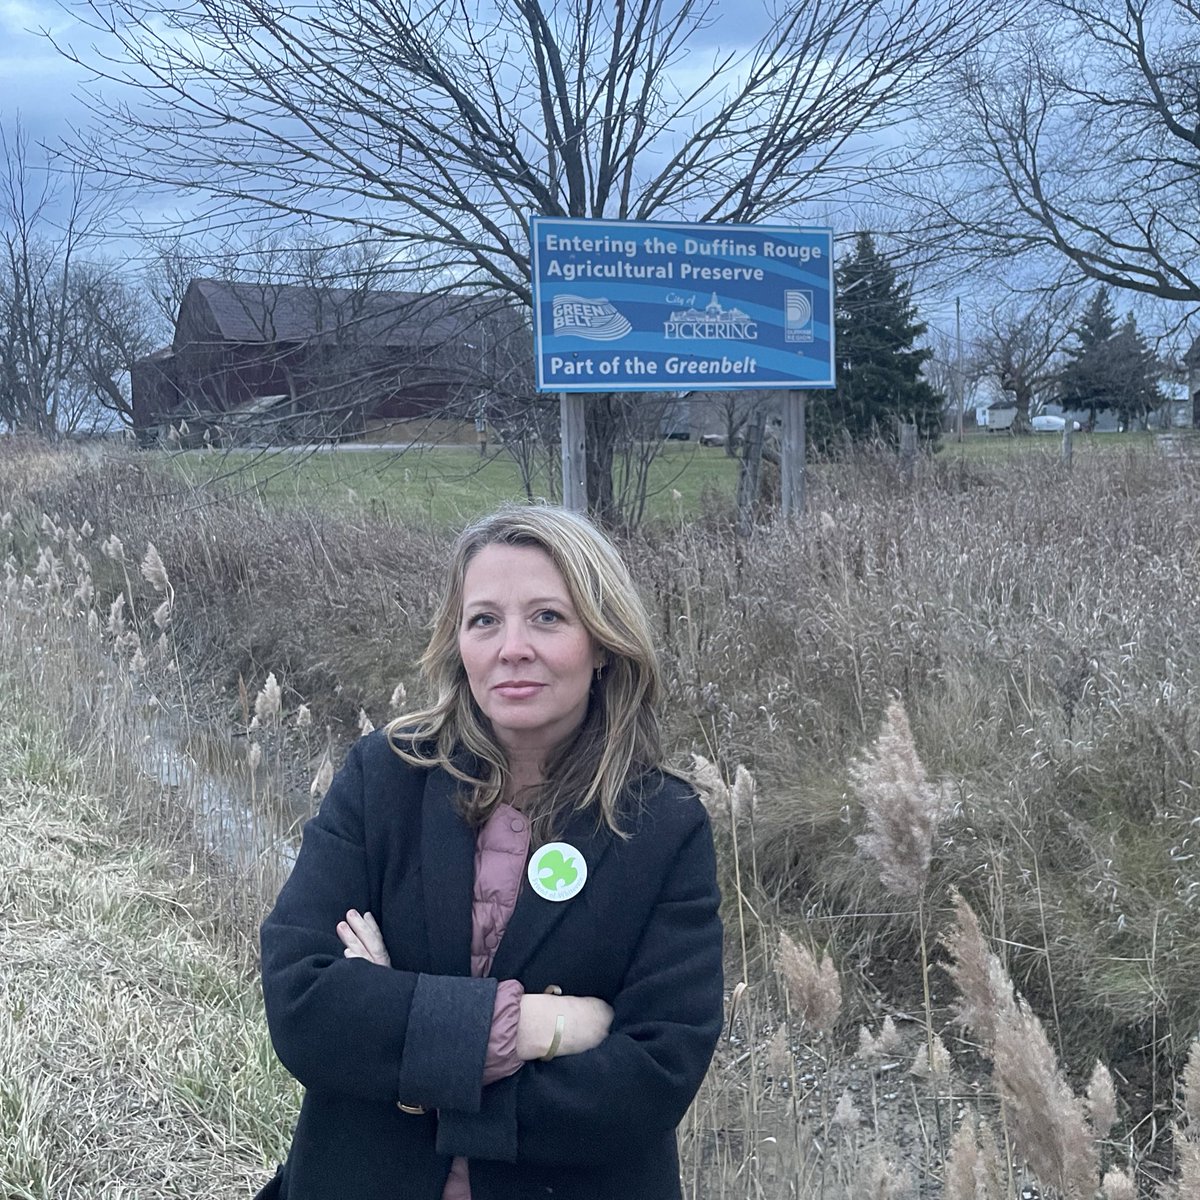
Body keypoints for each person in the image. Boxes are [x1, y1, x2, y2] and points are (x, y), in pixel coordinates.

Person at [254, 504, 724, 1200]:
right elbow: (303, 1003)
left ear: (602, 643)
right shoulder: (384, 778)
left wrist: (412, 1062)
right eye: (484, 620)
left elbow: (650, 1081)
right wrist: (533, 1026)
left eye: (547, 618)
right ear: (459, 642)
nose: (512, 647)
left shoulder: (663, 824)